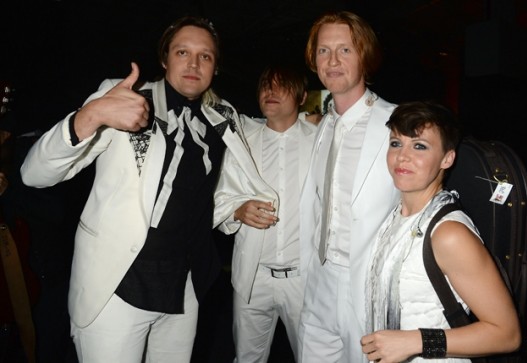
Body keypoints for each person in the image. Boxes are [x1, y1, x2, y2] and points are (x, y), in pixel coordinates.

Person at [20, 16, 260, 363]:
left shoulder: (222, 117)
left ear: (216, 66)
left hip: (184, 291)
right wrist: (91, 115)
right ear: (165, 59)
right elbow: (34, 174)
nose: (193, 63)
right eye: (182, 52)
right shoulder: (125, 97)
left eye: (205, 56)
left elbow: (223, 182)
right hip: (116, 288)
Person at [361, 101, 521, 362]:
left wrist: (416, 341)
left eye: (419, 146)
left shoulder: (449, 234)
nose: (403, 156)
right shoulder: (395, 218)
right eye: (396, 143)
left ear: (447, 158)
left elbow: (507, 334)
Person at [298, 10, 400, 363]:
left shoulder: (396, 125)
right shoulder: (323, 127)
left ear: (365, 56)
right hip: (318, 282)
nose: (332, 60)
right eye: (324, 51)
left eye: (345, 50)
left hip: (369, 288)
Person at [214, 64, 317, 362]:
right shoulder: (242, 140)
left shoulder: (321, 140)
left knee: (313, 357)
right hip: (253, 277)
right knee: (247, 358)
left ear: (301, 97)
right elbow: (220, 194)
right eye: (265, 86)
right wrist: (237, 211)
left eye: (280, 85)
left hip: (305, 278)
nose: (270, 92)